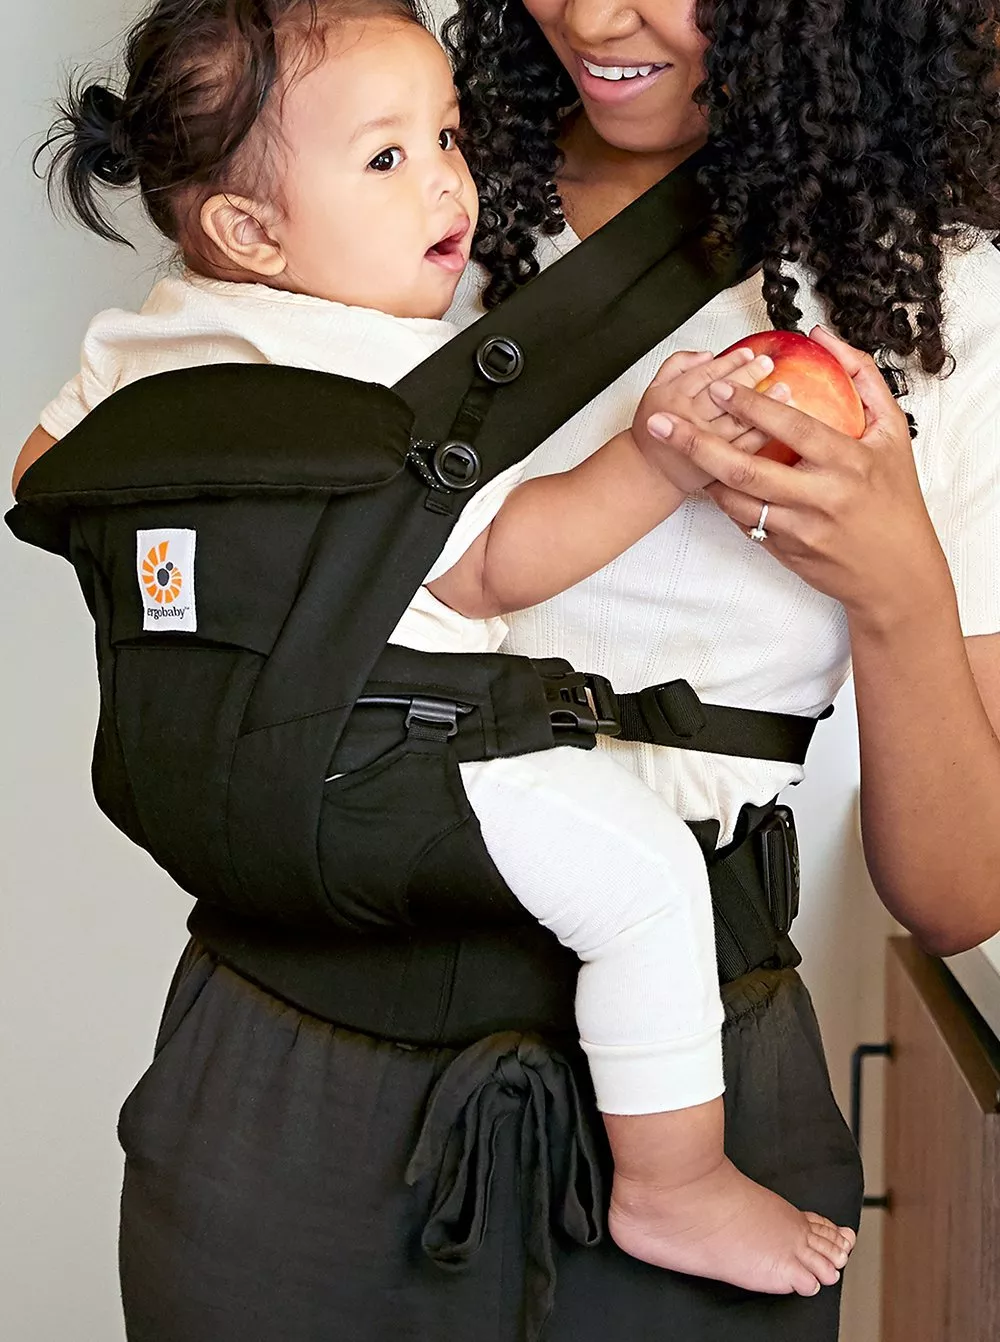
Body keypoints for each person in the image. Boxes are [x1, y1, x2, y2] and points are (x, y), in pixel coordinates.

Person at [11, 0, 1000, 1340]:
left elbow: (960, 896)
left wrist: (898, 584)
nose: (594, 14)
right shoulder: (376, 191)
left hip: (696, 1053)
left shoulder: (934, 296)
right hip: (297, 1063)